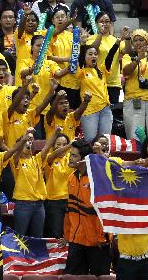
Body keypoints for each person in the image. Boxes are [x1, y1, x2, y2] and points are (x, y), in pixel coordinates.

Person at [61, 139, 110, 275]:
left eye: (74, 155)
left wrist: (103, 238)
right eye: (70, 154)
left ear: (83, 160)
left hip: (97, 242)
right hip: (76, 239)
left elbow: (104, 210)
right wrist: (67, 234)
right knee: (70, 277)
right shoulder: (71, 178)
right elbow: (69, 210)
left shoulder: (97, 179)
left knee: (100, 277)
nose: (70, 158)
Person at [55, 42, 119, 142]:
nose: (93, 56)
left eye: (95, 54)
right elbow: (79, 60)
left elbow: (110, 57)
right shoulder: (81, 71)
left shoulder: (101, 70)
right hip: (89, 111)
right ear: (84, 57)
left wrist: (117, 44)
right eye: (90, 54)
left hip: (105, 109)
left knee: (105, 141)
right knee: (90, 141)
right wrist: (83, 44)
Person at [86, 13, 131, 105]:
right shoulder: (91, 38)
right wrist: (101, 34)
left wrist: (127, 38)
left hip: (113, 82)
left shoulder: (115, 40)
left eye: (107, 22)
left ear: (111, 24)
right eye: (101, 22)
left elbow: (127, 50)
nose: (104, 24)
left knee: (111, 113)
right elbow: (93, 49)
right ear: (96, 23)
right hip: (96, 81)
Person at [11, 128, 47, 237]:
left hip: (39, 204)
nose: (28, 144)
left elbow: (48, 146)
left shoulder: (37, 159)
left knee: (37, 237)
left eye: (30, 142)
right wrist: (25, 136)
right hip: (23, 204)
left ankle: (35, 255)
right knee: (20, 237)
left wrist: (56, 133)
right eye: (26, 142)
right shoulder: (15, 160)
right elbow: (17, 151)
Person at [41, 129, 72, 238]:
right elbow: (54, 154)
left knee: (70, 232)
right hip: (54, 201)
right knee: (55, 232)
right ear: (53, 146)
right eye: (58, 144)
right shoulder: (49, 157)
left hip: (70, 200)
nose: (61, 147)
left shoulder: (71, 158)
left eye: (64, 144)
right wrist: (69, 145)